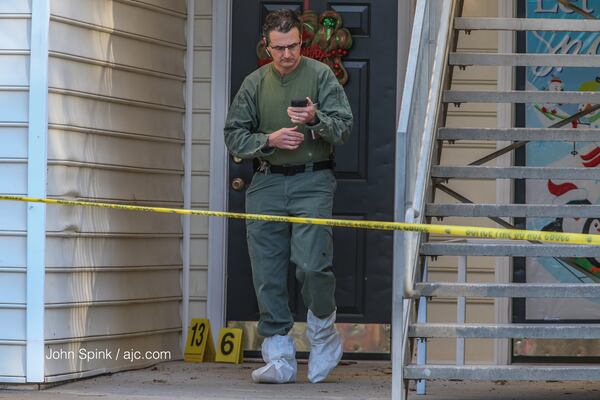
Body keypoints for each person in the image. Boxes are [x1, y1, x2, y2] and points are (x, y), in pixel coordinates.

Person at [224, 8, 353, 384]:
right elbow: (233, 134)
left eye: (293, 46)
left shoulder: (320, 75)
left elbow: (344, 129)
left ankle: (324, 336)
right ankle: (279, 354)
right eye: (279, 48)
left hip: (313, 179)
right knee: (267, 269)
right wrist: (269, 140)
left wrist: (315, 120)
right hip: (265, 181)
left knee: (312, 264)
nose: (287, 55)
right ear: (267, 45)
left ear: (302, 42)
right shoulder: (254, 83)